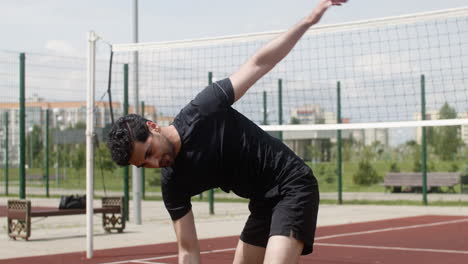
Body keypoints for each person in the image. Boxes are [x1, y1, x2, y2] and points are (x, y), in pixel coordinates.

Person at [107, 1, 348, 263]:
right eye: (144, 164)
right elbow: (188, 250)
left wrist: (308, 21)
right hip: (262, 201)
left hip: (291, 183)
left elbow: (259, 64)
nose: (154, 163)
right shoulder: (172, 183)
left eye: (150, 152)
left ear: (153, 127)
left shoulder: (203, 109)